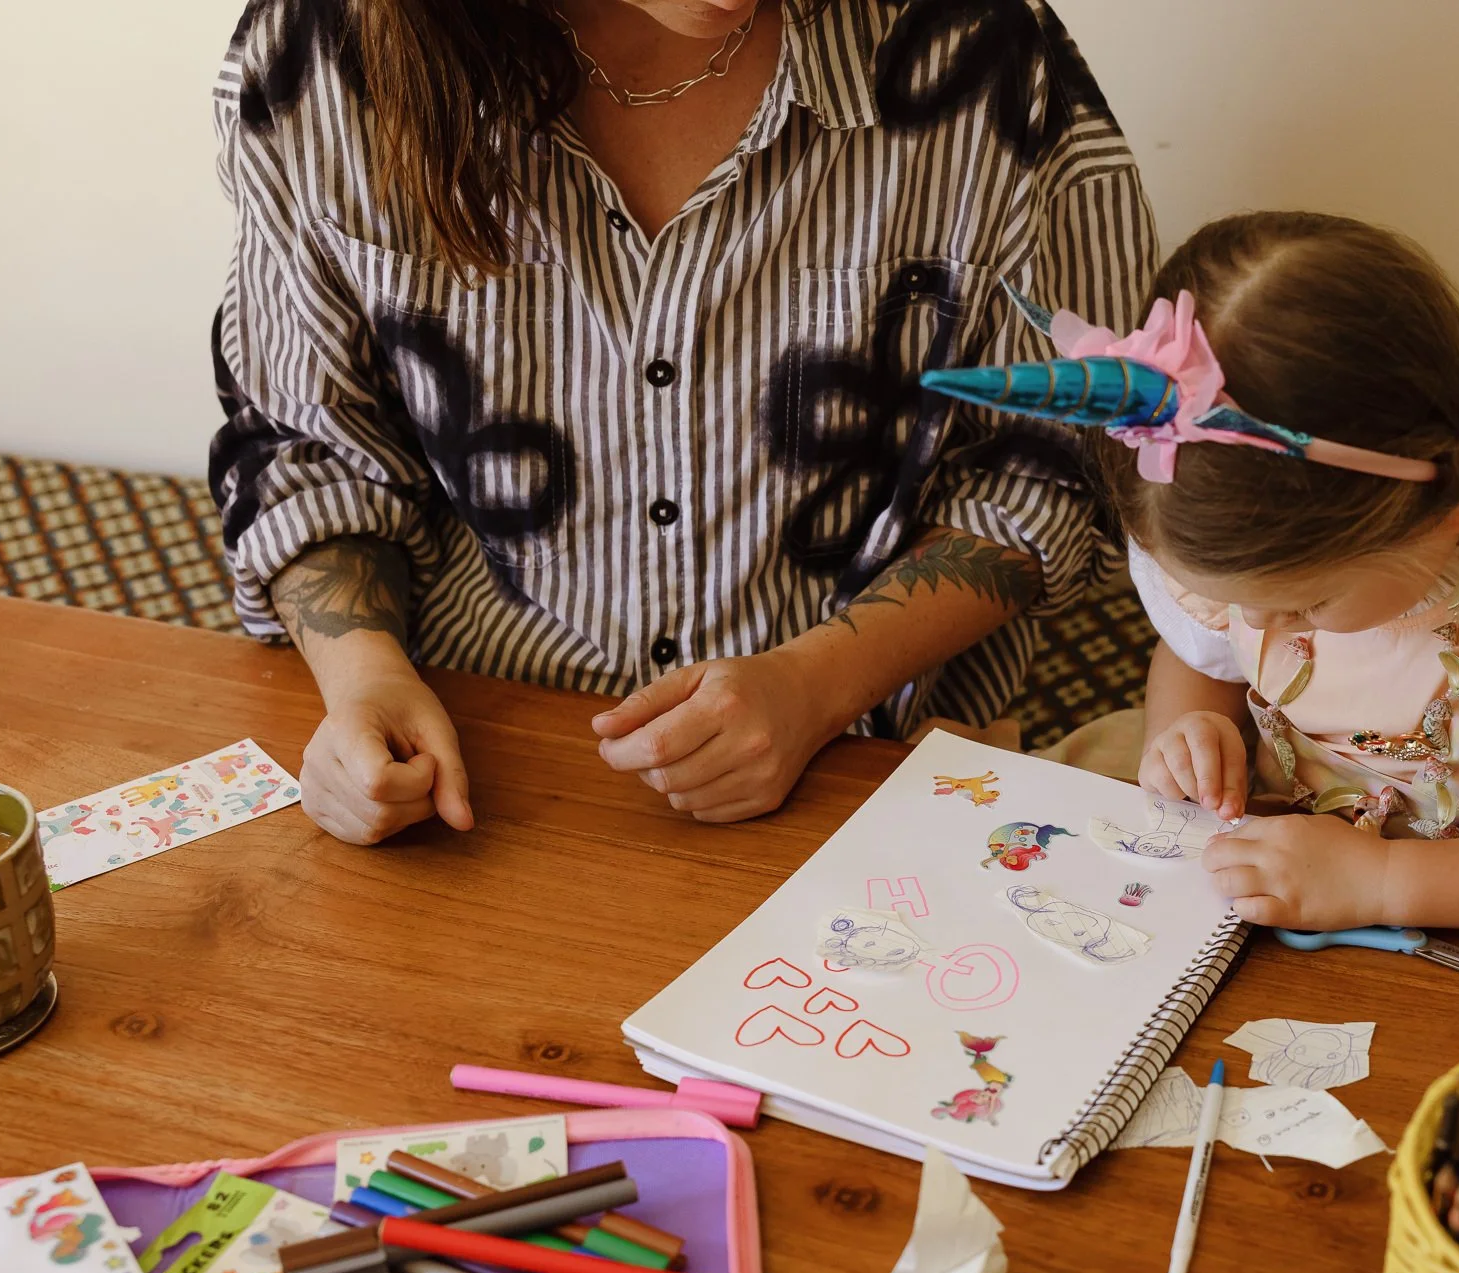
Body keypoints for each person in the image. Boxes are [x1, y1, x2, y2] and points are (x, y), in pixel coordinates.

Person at [208, 0, 1153, 842]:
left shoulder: (980, 55)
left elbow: (1067, 464)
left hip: (866, 775)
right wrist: (364, 682)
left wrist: (816, 683)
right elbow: (305, 447)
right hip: (471, 768)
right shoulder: (318, 61)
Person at [928, 212, 1459, 932]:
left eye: (1304, 605)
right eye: (1236, 606)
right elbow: (1195, 655)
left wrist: (1387, 881)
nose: (1259, 632)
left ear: (1452, 511)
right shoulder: (1251, 591)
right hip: (1262, 837)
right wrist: (1191, 729)